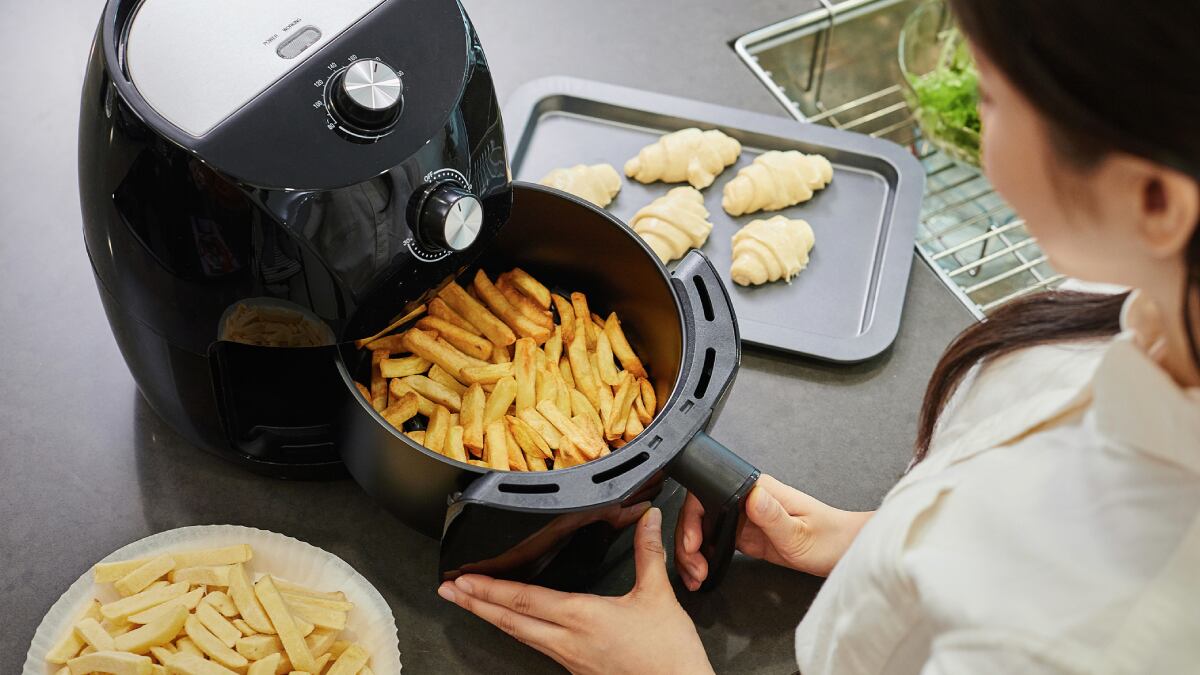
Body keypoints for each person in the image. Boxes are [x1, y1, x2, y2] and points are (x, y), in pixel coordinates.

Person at [437, 0, 1200, 671]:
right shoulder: (1134, 296)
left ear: (1157, 200)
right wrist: (877, 542)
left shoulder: (1111, 634)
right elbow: (1041, 510)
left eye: (992, 99)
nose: (970, 138)